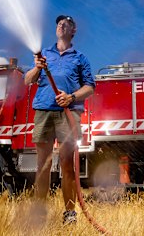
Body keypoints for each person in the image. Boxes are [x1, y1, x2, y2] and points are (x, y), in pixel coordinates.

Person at [24, 15, 95, 224]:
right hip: (44, 111)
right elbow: (28, 80)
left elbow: (90, 87)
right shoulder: (44, 55)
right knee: (43, 164)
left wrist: (71, 97)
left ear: (73, 31)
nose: (61, 25)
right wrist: (37, 67)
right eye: (59, 23)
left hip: (69, 113)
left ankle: (70, 214)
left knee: (67, 164)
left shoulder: (80, 57)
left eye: (67, 23)